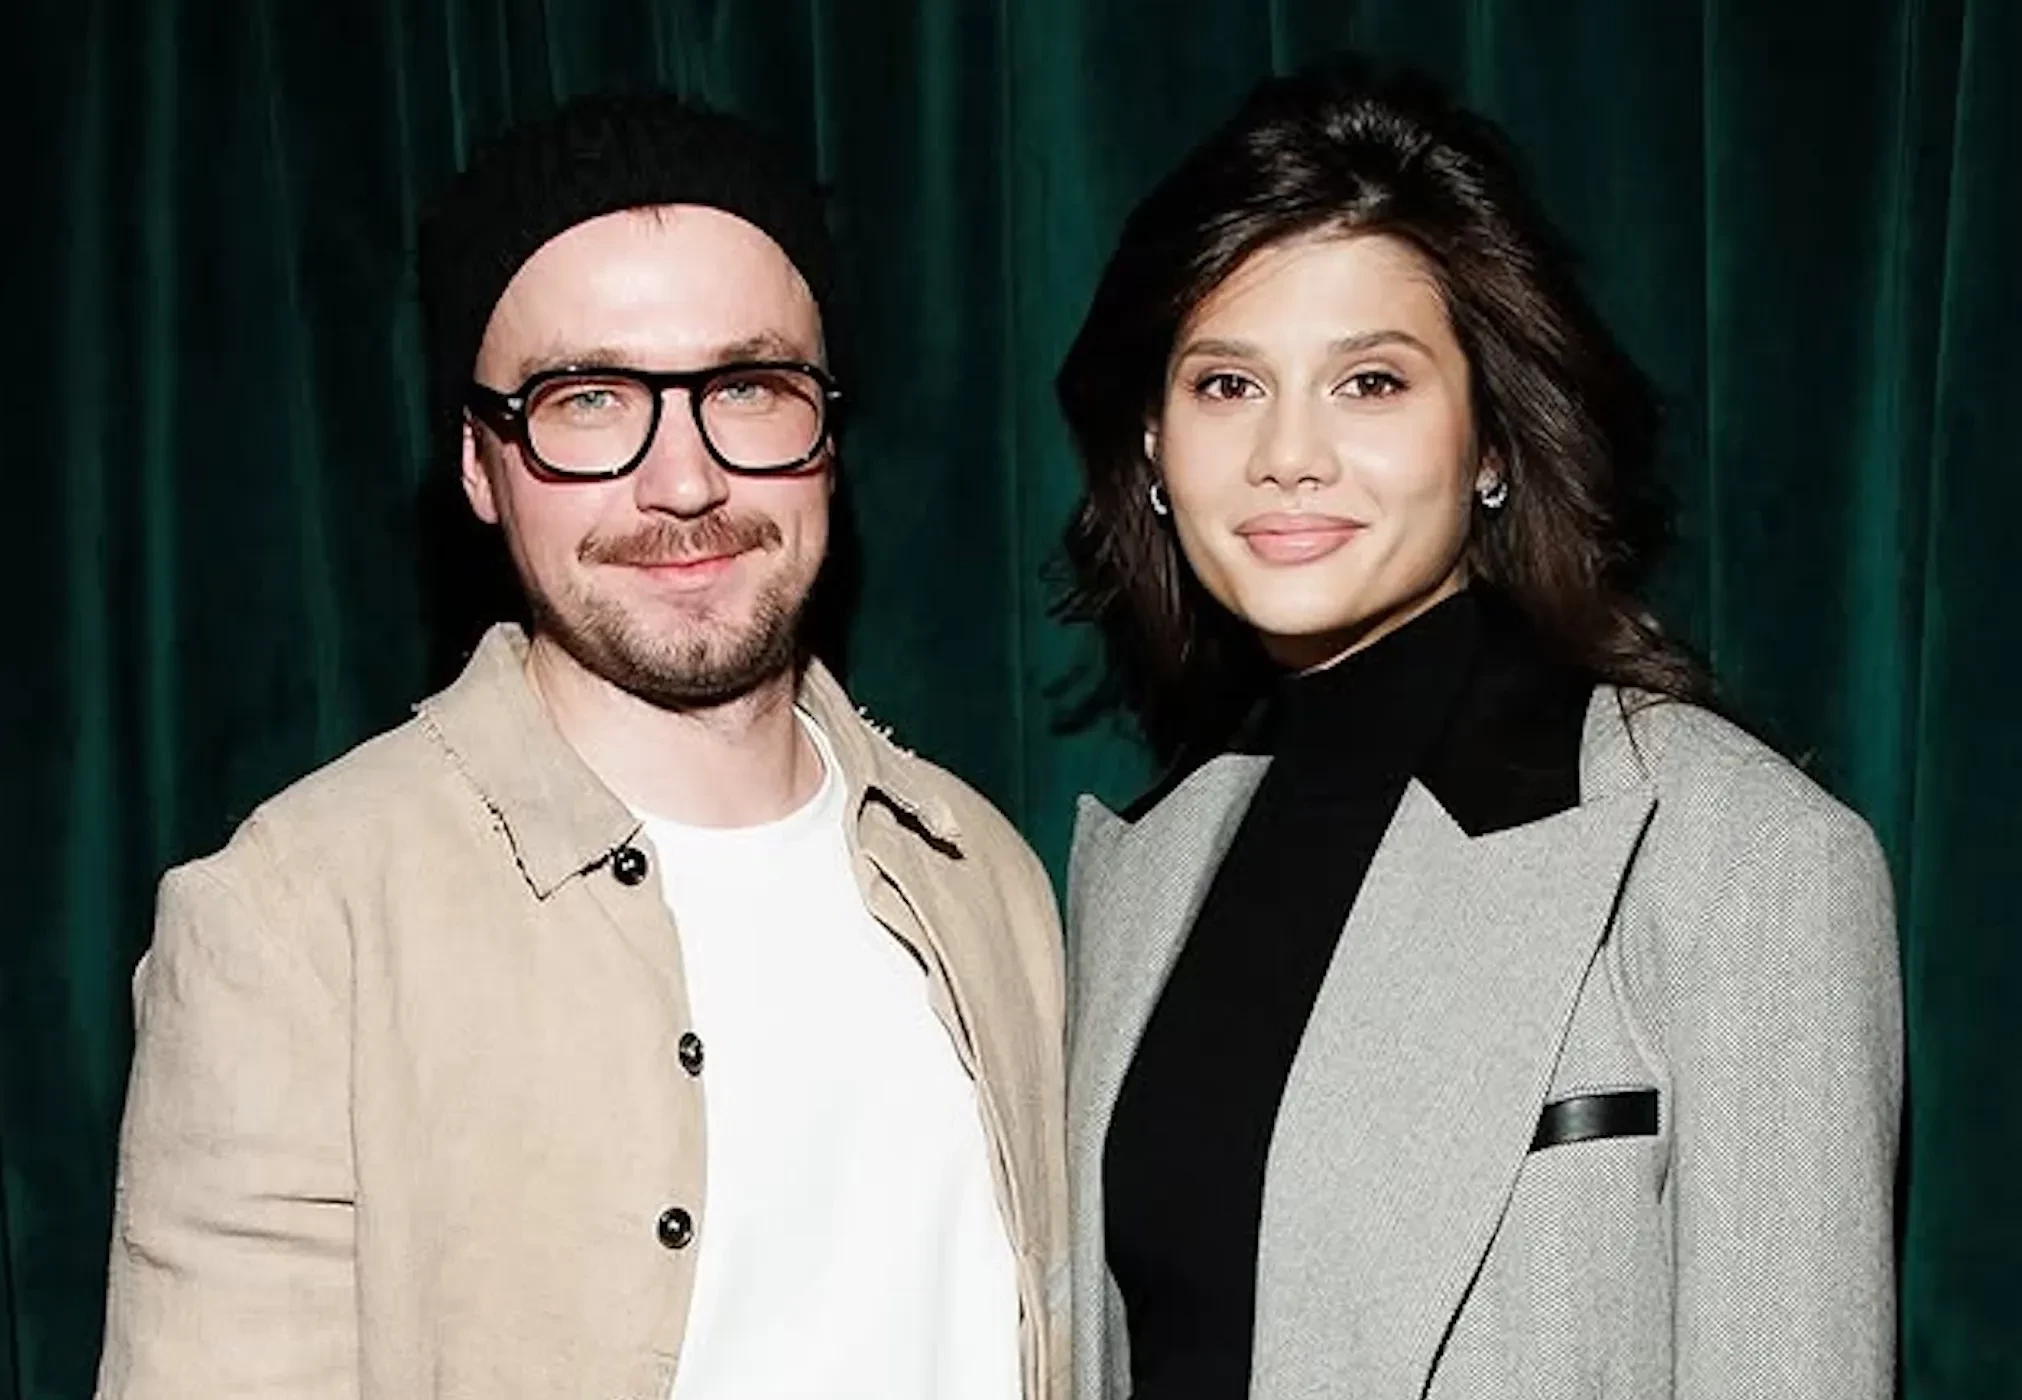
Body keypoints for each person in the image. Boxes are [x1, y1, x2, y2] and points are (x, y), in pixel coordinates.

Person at [96, 92, 1065, 1400]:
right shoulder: (296, 924)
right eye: (590, 399)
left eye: (747, 388)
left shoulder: (980, 875)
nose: (684, 482)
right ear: (479, 464)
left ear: (828, 437)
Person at [1055, 60, 1899, 1400]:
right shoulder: (1138, 874)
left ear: (1492, 440)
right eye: (1225, 385)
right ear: (1152, 449)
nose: (1288, 454)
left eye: (1369, 382)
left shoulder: (1741, 859)